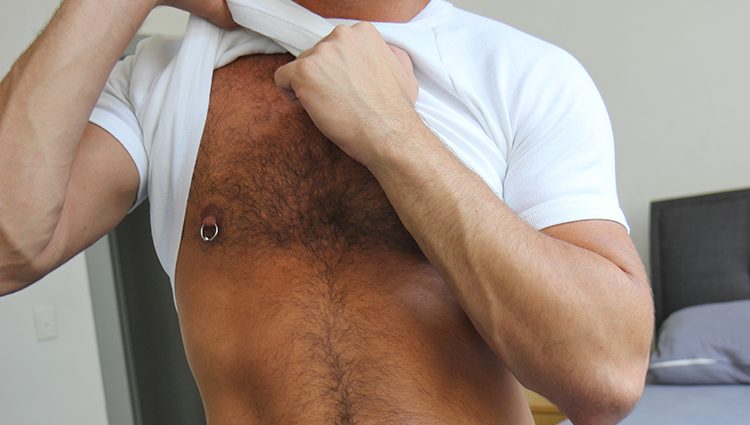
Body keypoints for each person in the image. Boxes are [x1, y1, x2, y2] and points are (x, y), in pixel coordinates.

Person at [0, 0, 654, 423]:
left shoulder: (523, 74)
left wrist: (391, 131)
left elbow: (605, 374)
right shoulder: (161, 83)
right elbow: (8, 244)